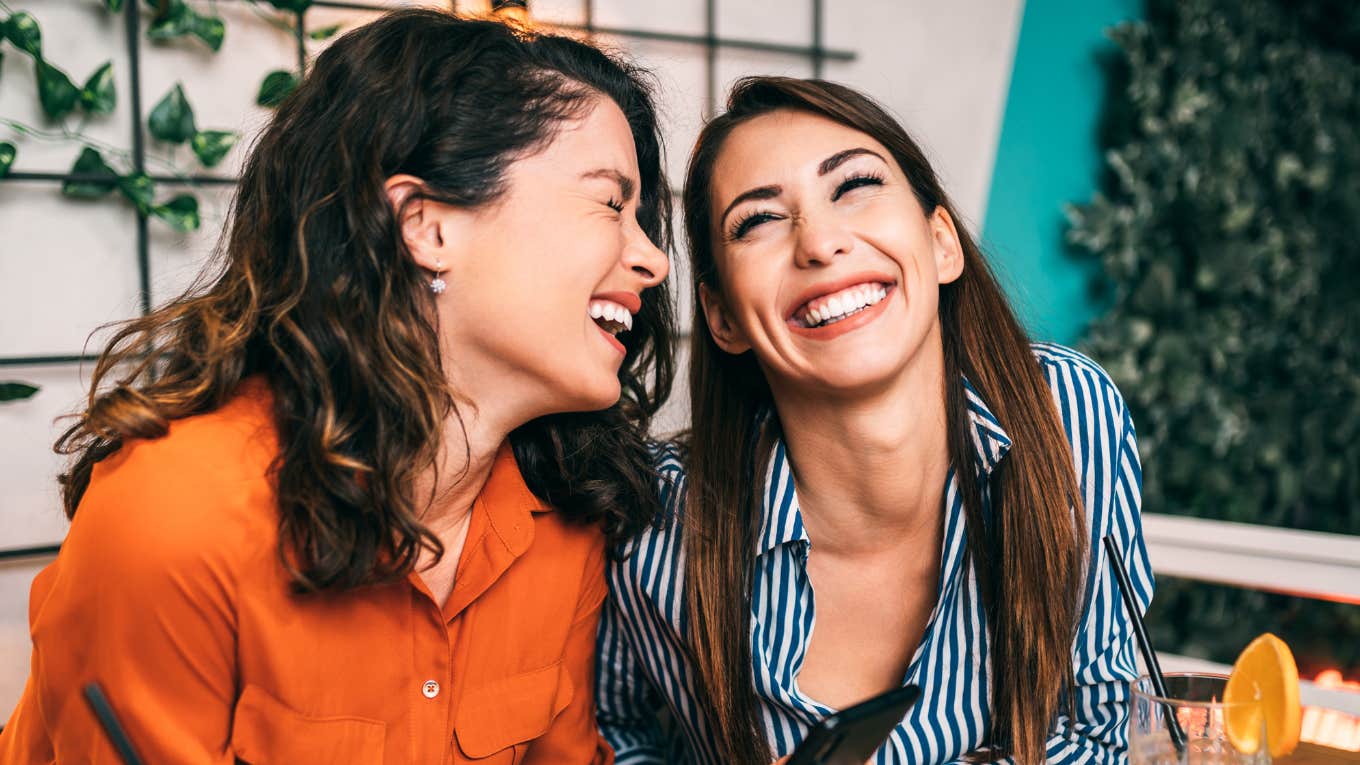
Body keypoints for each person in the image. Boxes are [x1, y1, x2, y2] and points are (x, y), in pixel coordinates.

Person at [0, 9, 674, 763]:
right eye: (613, 203)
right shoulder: (173, 515)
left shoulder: (562, 521)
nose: (654, 260)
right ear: (427, 227)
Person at [597, 76, 1154, 765]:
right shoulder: (653, 517)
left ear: (942, 242)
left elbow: (1101, 730)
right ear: (724, 319)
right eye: (759, 220)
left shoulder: (1068, 415)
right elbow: (604, 738)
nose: (820, 242)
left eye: (854, 184)